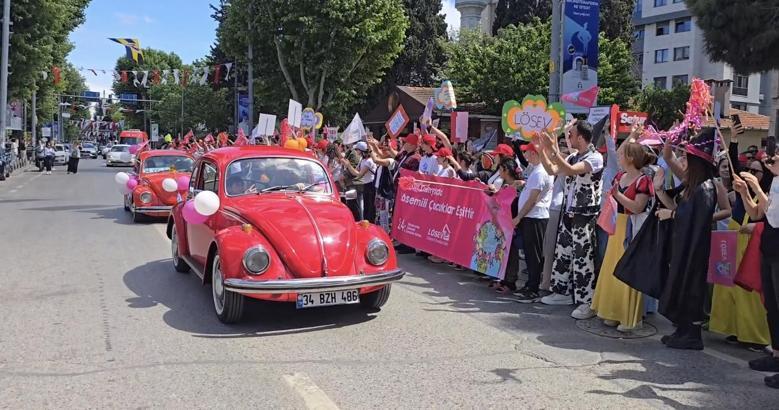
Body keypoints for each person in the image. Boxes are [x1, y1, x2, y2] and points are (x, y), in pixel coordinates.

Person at [654, 128, 719, 350]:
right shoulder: (693, 185)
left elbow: (697, 220)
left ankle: (692, 335)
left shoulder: (706, 188)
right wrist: (660, 191)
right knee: (681, 285)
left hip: (695, 249)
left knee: (691, 287)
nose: (686, 162)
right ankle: (682, 330)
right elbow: (679, 208)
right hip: (684, 244)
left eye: (689, 158)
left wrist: (672, 215)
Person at [538, 120, 604, 320]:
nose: (569, 137)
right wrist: (541, 150)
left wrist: (553, 149)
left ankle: (587, 301)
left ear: (581, 138)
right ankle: (561, 292)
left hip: (585, 216)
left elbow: (572, 170)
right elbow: (552, 170)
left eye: (571, 134)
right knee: (563, 254)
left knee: (584, 260)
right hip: (568, 214)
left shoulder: (595, 158)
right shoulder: (574, 156)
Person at [590, 142, 655, 332]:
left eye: (622, 154)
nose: (618, 156)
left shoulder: (644, 180)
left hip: (632, 227)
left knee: (628, 270)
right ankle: (614, 312)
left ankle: (632, 317)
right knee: (613, 269)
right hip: (616, 226)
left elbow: (637, 207)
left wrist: (617, 195)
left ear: (631, 158)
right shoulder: (620, 176)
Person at [734, 156, 779, 389]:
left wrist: (757, 188)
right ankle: (776, 355)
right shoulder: (775, 182)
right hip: (768, 249)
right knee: (772, 306)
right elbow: (756, 213)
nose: (773, 158)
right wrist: (744, 192)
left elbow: (775, 215)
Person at [512, 143, 554, 303]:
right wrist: (524, 184)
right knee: (530, 254)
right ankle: (530, 284)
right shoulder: (538, 171)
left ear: (534, 153)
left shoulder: (540, 172)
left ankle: (533, 289)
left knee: (533, 254)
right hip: (533, 217)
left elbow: (533, 199)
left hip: (535, 217)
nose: (525, 156)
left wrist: (519, 217)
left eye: (527, 152)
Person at [494, 158, 524, 293]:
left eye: (500, 169)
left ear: (506, 170)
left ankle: (510, 281)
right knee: (502, 251)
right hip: (502, 222)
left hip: (513, 223)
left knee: (512, 253)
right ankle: (502, 278)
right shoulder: (504, 185)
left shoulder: (518, 186)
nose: (499, 172)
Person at [341, 141, 376, 222]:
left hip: (371, 185)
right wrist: (347, 165)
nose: (356, 151)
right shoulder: (362, 160)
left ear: (361, 151)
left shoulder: (369, 161)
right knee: (366, 207)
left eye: (357, 150)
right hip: (365, 185)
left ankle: (370, 224)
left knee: (370, 208)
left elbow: (359, 175)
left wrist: (349, 165)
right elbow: (355, 172)